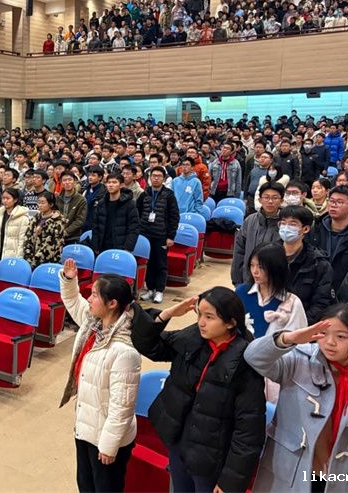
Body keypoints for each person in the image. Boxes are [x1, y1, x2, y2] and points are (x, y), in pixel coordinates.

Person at [131, 288, 266, 492]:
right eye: (199, 314)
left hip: (211, 458)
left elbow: (248, 430)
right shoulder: (193, 337)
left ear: (231, 323)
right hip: (179, 442)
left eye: (209, 317)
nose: (201, 322)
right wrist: (166, 314)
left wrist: (230, 481)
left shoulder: (245, 361)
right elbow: (149, 345)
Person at [244, 306, 348, 492]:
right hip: (292, 474)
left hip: (346, 483)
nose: (330, 342)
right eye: (323, 333)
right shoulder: (299, 360)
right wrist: (288, 338)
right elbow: (253, 358)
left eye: (341, 337)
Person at [59, 258, 141, 493]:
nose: (89, 298)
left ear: (112, 303)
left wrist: (108, 445)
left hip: (106, 439)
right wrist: (70, 280)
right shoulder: (94, 325)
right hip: (86, 427)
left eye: (95, 295)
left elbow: (122, 407)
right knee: (86, 486)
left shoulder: (124, 351)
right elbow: (74, 303)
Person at [235, 243, 307, 339]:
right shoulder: (241, 292)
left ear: (276, 267)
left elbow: (299, 339)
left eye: (261, 267)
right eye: (252, 265)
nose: (255, 271)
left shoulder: (292, 302)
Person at [277, 205, 334, 323]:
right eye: (283, 223)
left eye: (292, 224)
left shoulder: (318, 263)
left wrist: (298, 324)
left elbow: (321, 302)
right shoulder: (267, 255)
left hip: (302, 324)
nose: (286, 228)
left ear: (306, 229)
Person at [310, 185, 348, 288]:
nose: (333, 205)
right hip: (316, 288)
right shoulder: (316, 229)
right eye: (331, 201)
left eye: (339, 202)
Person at [136, 167, 179, 304]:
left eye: (159, 176)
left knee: (160, 263)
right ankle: (150, 289)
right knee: (148, 263)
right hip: (145, 235)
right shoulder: (144, 194)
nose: (156, 178)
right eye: (153, 176)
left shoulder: (169, 195)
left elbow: (174, 217)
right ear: (149, 178)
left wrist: (171, 236)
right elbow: (137, 213)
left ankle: (159, 290)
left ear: (164, 179)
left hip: (161, 235)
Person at [231, 182, 283, 286]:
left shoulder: (285, 224)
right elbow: (239, 251)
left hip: (274, 282)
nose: (270, 201)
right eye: (266, 197)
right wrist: (237, 279)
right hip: (248, 278)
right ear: (260, 200)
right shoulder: (250, 220)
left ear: (282, 201)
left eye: (275, 198)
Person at [89, 174, 140, 254]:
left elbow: (133, 228)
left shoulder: (129, 204)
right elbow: (96, 226)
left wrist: (128, 248)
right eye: (109, 182)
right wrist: (95, 245)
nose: (111, 185)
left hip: (120, 246)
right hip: (102, 246)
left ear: (121, 185)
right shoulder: (102, 203)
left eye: (114, 182)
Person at [23, 192, 66, 269]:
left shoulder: (58, 221)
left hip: (48, 261)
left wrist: (35, 259)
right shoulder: (35, 218)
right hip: (31, 260)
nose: (40, 205)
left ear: (51, 204)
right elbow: (27, 237)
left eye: (43, 203)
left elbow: (52, 245)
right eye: (39, 202)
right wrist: (28, 256)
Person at [0, 188, 30, 261]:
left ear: (15, 200)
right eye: (3, 198)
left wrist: (18, 259)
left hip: (12, 257)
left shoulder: (23, 218)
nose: (5, 201)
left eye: (8, 198)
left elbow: (22, 241)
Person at [56, 172, 87, 244]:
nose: (67, 182)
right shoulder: (57, 198)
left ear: (75, 182)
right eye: (64, 180)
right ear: (61, 183)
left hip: (73, 237)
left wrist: (65, 232)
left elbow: (79, 221)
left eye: (70, 180)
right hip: (57, 236)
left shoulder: (81, 199)